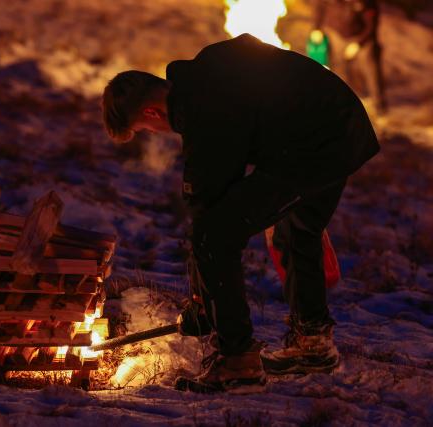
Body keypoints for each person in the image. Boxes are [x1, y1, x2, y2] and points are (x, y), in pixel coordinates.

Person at [101, 34, 379, 392]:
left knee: (215, 235)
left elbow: (208, 208)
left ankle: (237, 360)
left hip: (317, 143)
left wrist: (204, 305)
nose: (156, 134)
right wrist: (202, 299)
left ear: (151, 112)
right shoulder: (202, 81)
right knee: (295, 229)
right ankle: (312, 343)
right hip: (341, 126)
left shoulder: (203, 106)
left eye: (145, 129)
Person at [314, 0, 388, 113]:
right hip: (337, 36)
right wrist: (316, 28)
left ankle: (380, 109)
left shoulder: (365, 3)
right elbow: (319, 7)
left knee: (371, 73)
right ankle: (343, 107)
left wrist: (358, 44)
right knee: (339, 74)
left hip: (362, 39)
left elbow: (372, 26)